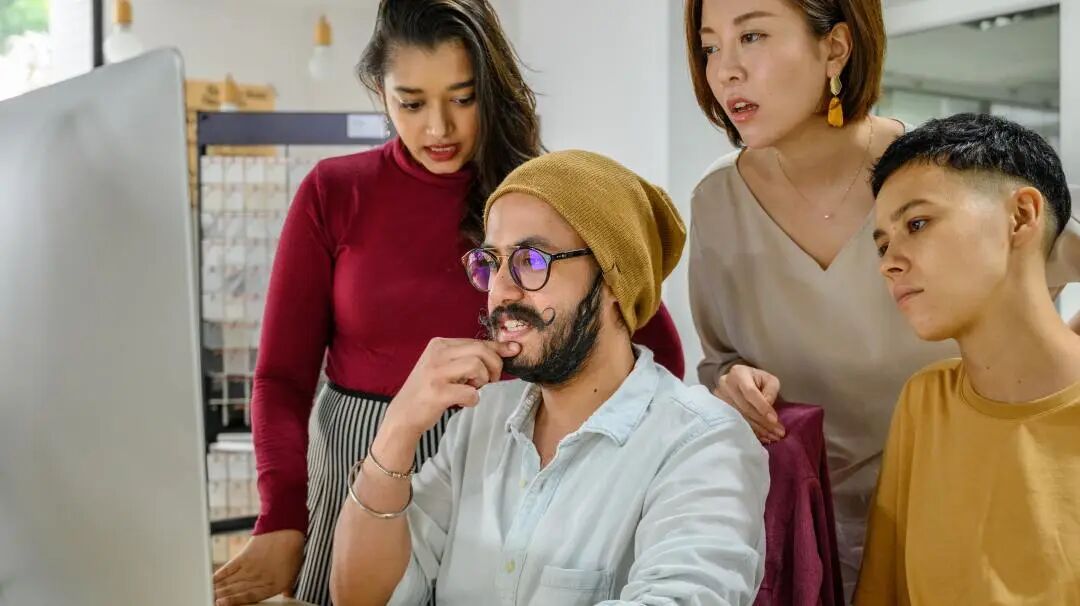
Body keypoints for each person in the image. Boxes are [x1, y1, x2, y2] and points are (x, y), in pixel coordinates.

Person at [211, 2, 684, 605]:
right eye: (411, 103)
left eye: (463, 98)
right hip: (359, 467)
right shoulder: (333, 192)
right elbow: (280, 379)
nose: (439, 128)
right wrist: (281, 518)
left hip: (502, 467)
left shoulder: (539, 198)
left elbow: (651, 341)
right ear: (380, 92)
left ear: (492, 88)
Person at [682, 0, 1080, 593]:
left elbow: (1039, 247)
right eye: (710, 47)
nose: (725, 71)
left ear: (835, 48)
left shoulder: (936, 179)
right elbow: (720, 358)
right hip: (799, 532)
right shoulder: (717, 201)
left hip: (957, 518)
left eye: (753, 36)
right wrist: (732, 382)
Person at [329, 150, 769, 605]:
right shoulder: (479, 421)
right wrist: (397, 431)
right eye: (491, 262)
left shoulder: (703, 442)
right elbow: (363, 599)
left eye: (531, 261)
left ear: (613, 281)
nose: (500, 291)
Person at [856, 113, 1080, 604]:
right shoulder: (925, 403)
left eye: (917, 224)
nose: (889, 262)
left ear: (1021, 216)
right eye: (883, 245)